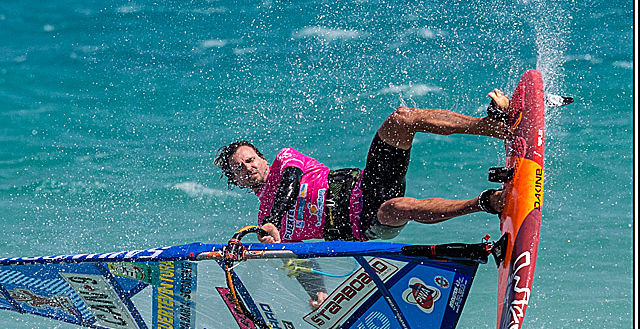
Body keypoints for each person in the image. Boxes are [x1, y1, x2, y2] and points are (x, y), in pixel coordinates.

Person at [214, 88, 512, 245]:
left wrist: (274, 219)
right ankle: (487, 202)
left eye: (251, 159)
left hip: (368, 184)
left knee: (402, 118)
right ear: (236, 181)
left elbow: (290, 183)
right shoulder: (266, 223)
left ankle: (495, 127)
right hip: (364, 225)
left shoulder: (284, 161)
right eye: (240, 168)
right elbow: (297, 263)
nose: (248, 168)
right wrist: (315, 291)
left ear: (263, 159)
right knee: (397, 207)